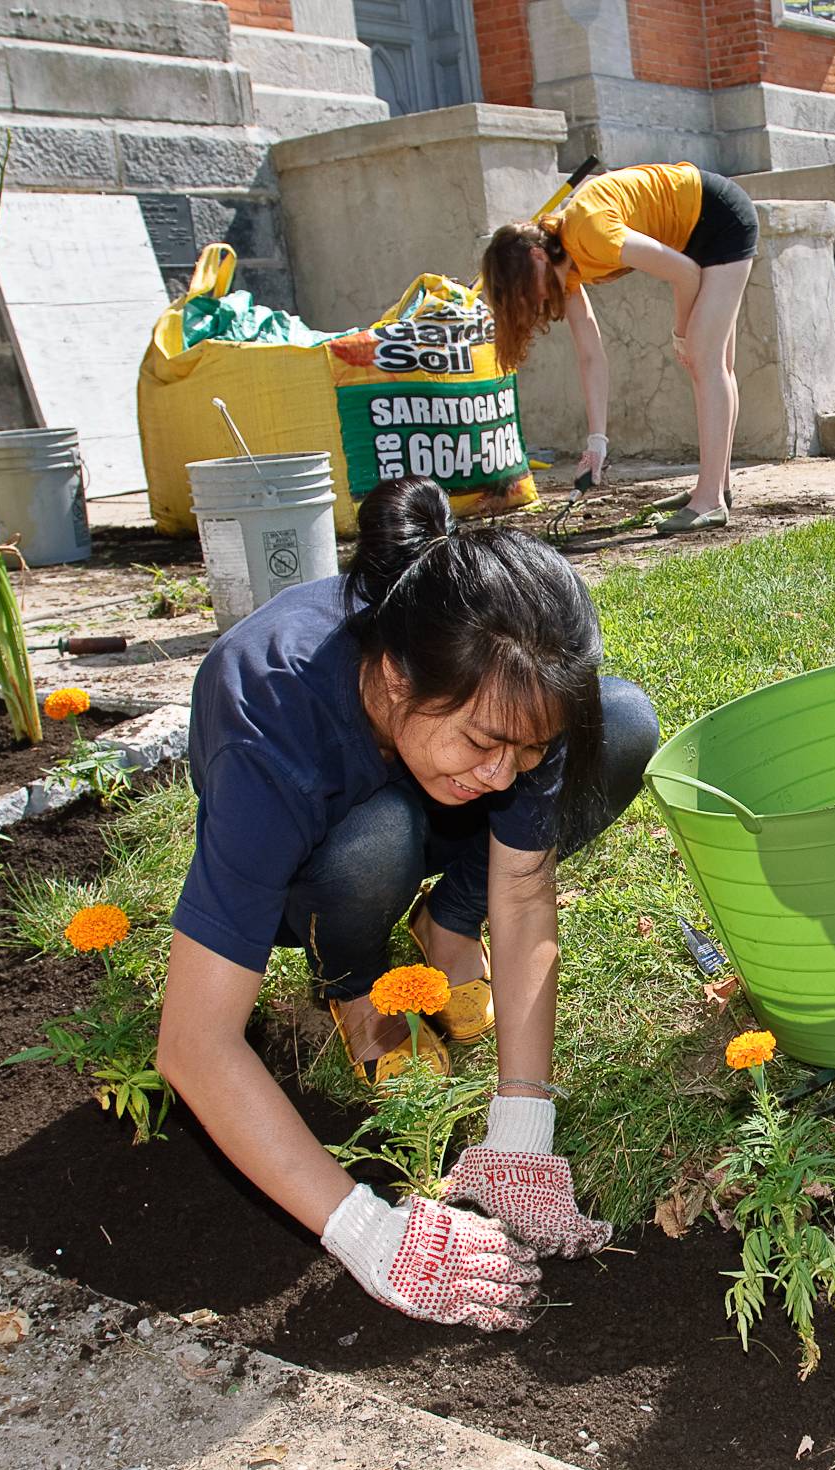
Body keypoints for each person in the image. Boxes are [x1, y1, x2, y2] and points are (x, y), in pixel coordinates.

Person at [156, 477, 660, 1330]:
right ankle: (353, 979)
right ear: (393, 678)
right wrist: (371, 1234)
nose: (506, 773)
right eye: (485, 741)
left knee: (623, 720)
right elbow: (194, 1047)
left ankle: (446, 924)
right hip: (317, 866)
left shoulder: (504, 694)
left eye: (526, 750)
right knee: (374, 845)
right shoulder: (269, 730)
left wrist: (520, 1137)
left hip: (422, 799)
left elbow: (529, 893)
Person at [481, 161, 760, 537]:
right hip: (695, 234)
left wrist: (681, 332)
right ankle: (715, 488)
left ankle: (709, 500)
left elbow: (685, 273)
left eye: (524, 291)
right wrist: (597, 442)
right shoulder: (567, 267)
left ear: (536, 257)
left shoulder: (591, 231)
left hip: (720, 218)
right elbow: (591, 355)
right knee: (713, 363)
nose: (535, 300)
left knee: (706, 361)